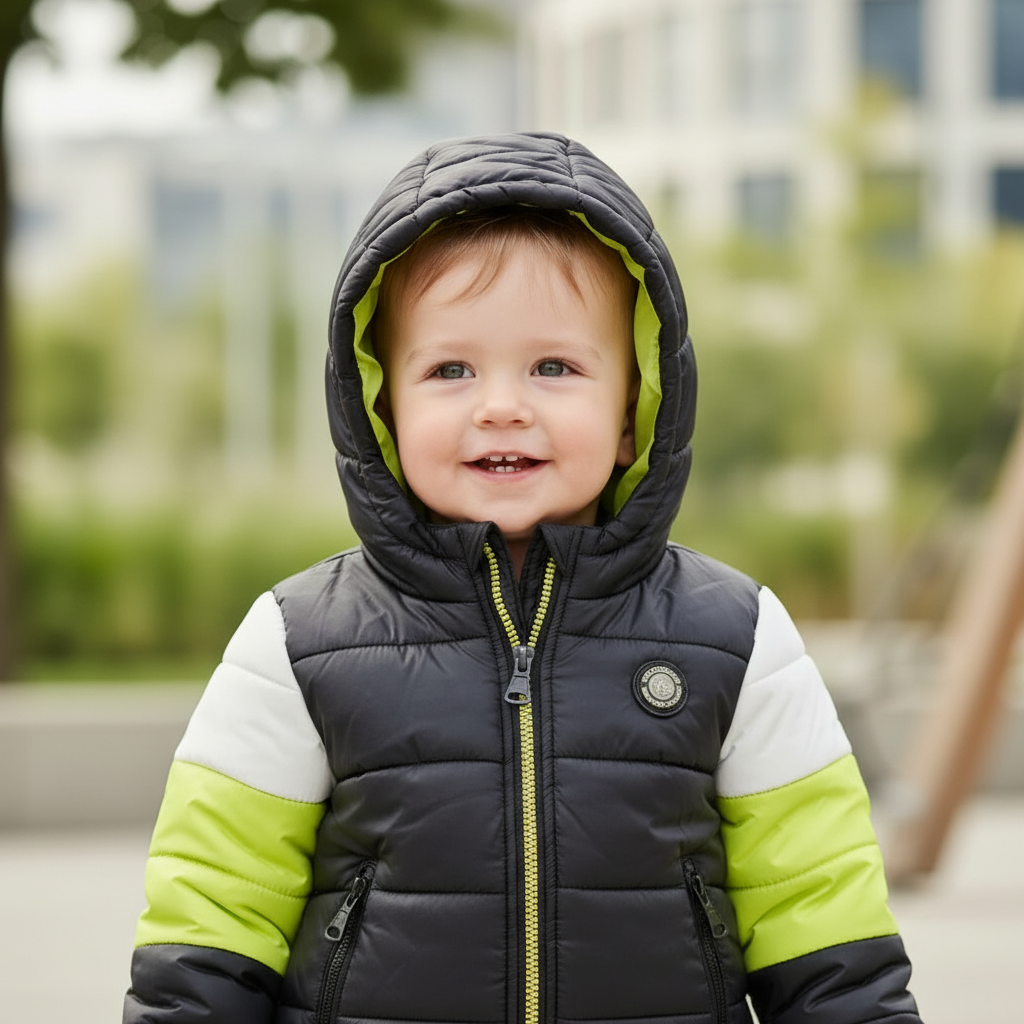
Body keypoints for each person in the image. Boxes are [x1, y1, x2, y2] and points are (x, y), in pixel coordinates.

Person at [124, 132, 923, 1024]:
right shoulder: (298, 643)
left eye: (554, 367)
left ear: (635, 411)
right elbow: (212, 918)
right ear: (382, 409)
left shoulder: (737, 639)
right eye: (450, 369)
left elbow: (826, 927)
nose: (501, 405)